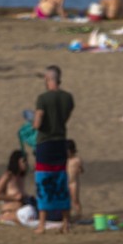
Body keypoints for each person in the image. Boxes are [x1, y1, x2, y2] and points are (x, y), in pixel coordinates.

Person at [33, 65, 75, 234]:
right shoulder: (68, 97)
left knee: (43, 182)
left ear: (48, 79)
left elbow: (38, 123)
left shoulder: (42, 98)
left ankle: (42, 225)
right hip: (60, 142)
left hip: (45, 143)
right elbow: (64, 117)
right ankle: (66, 223)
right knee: (60, 181)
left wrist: (33, 121)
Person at [0, 150, 29, 222]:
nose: (26, 164)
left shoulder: (21, 177)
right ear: (17, 162)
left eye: (26, 161)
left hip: (21, 212)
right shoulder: (8, 175)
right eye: (24, 161)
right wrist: (14, 198)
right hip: (10, 212)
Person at [67, 139, 84, 220]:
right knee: (67, 201)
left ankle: (79, 214)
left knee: (75, 200)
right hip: (66, 182)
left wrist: (80, 169)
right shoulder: (65, 160)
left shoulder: (76, 160)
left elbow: (81, 170)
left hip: (73, 183)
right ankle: (68, 215)